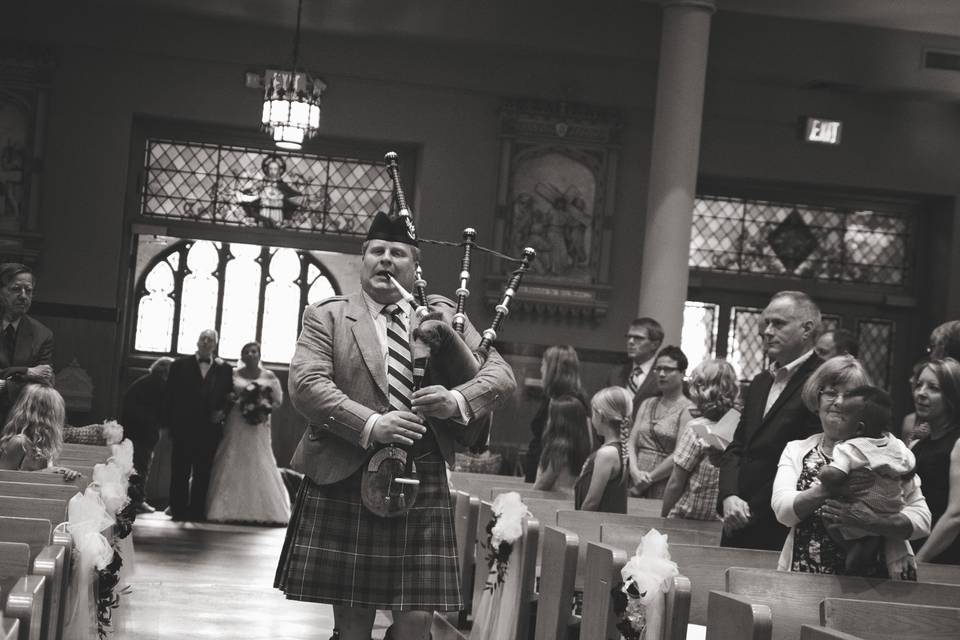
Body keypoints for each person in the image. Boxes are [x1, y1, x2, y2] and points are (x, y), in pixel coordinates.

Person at [274, 211, 516, 640]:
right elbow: (306, 386)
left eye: (397, 253)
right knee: (352, 626)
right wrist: (372, 424)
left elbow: (499, 377)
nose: (386, 260)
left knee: (416, 625)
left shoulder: (443, 315)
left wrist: (455, 400)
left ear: (414, 265)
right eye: (377, 251)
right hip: (347, 471)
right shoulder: (328, 316)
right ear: (362, 260)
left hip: (419, 473)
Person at [770, 356, 930, 578]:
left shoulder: (889, 450)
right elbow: (783, 512)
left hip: (875, 582)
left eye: (850, 395)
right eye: (831, 392)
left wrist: (875, 522)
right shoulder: (797, 450)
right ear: (817, 398)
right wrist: (829, 489)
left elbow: (922, 519)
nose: (839, 402)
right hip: (805, 573)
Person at [717, 291, 824, 550]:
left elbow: (810, 459)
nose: (767, 331)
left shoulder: (823, 380)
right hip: (736, 516)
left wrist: (751, 509)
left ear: (807, 329)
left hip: (781, 522)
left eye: (778, 323)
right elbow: (738, 446)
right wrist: (729, 496)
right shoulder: (760, 382)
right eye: (766, 323)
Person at [816, 386, 916, 573]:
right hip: (891, 508)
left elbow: (836, 475)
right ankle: (871, 538)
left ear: (859, 428)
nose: (839, 419)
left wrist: (824, 472)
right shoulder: (896, 444)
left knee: (827, 514)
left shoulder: (850, 447)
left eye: (843, 418)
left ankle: (852, 546)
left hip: (863, 504)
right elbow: (910, 468)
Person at [206, 341, 290, 525]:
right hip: (236, 421)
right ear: (242, 356)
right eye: (246, 352)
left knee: (259, 458)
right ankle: (224, 508)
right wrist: (233, 400)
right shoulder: (233, 375)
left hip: (259, 425)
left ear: (259, 355)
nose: (251, 354)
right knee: (231, 454)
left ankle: (264, 511)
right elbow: (226, 395)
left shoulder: (269, 376)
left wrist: (262, 407)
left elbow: (277, 401)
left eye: (254, 351)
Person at [163, 329, 234, 521]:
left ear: (215, 344)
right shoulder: (179, 365)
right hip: (183, 427)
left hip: (210, 429)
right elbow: (169, 396)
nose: (206, 342)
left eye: (210, 340)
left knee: (203, 472)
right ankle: (177, 510)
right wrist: (170, 426)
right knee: (180, 471)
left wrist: (223, 412)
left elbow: (230, 396)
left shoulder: (225, 369)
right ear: (197, 342)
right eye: (203, 338)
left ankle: (196, 512)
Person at [661, 359, 738, 521]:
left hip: (688, 517)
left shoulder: (696, 429)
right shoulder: (740, 426)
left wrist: (663, 517)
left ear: (699, 389)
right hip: (723, 520)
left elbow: (676, 482)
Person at [627, 345, 693, 498]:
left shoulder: (688, 409)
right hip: (635, 478)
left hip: (663, 481)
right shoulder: (647, 403)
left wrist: (648, 479)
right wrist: (634, 471)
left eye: (668, 369)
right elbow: (631, 442)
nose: (662, 374)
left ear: (683, 373)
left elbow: (680, 454)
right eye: (658, 369)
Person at [912, 357, 960, 564]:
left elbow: (956, 515)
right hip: (912, 550)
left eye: (933, 388)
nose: (921, 393)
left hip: (943, 558)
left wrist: (920, 560)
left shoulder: (957, 443)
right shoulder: (918, 445)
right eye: (919, 385)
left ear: (952, 396)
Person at [0, 263, 54, 428]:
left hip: (20, 422)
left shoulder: (42, 334)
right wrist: (27, 371)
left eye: (28, 291)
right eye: (16, 289)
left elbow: (44, 383)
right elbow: (33, 377)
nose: (23, 296)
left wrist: (3, 384)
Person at [524, 345, 587, 482]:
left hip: (552, 479)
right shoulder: (551, 396)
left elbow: (574, 446)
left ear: (553, 369)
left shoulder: (571, 401)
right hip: (541, 470)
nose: (541, 369)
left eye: (543, 364)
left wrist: (544, 480)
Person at [120, 355, 173, 513]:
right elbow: (162, 410)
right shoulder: (157, 384)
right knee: (140, 467)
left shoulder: (146, 382)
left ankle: (135, 500)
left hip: (136, 431)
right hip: (141, 433)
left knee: (137, 466)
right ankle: (137, 502)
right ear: (166, 372)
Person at [0, 384, 79, 480]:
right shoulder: (19, 442)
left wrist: (67, 473)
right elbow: (3, 481)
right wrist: (42, 473)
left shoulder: (46, 447)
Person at [575, 386, 630, 513]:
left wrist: (577, 524)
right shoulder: (617, 449)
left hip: (593, 527)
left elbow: (591, 502)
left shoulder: (607, 454)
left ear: (600, 416)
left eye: (593, 412)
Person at [533, 394, 592, 495]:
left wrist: (533, 490)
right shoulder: (583, 443)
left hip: (553, 498)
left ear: (559, 422)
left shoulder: (560, 447)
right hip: (571, 497)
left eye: (551, 416)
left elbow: (545, 482)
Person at [607, 317, 664, 419]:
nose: (631, 342)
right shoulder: (615, 374)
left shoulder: (663, 375)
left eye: (638, 338)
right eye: (629, 337)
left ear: (655, 344)